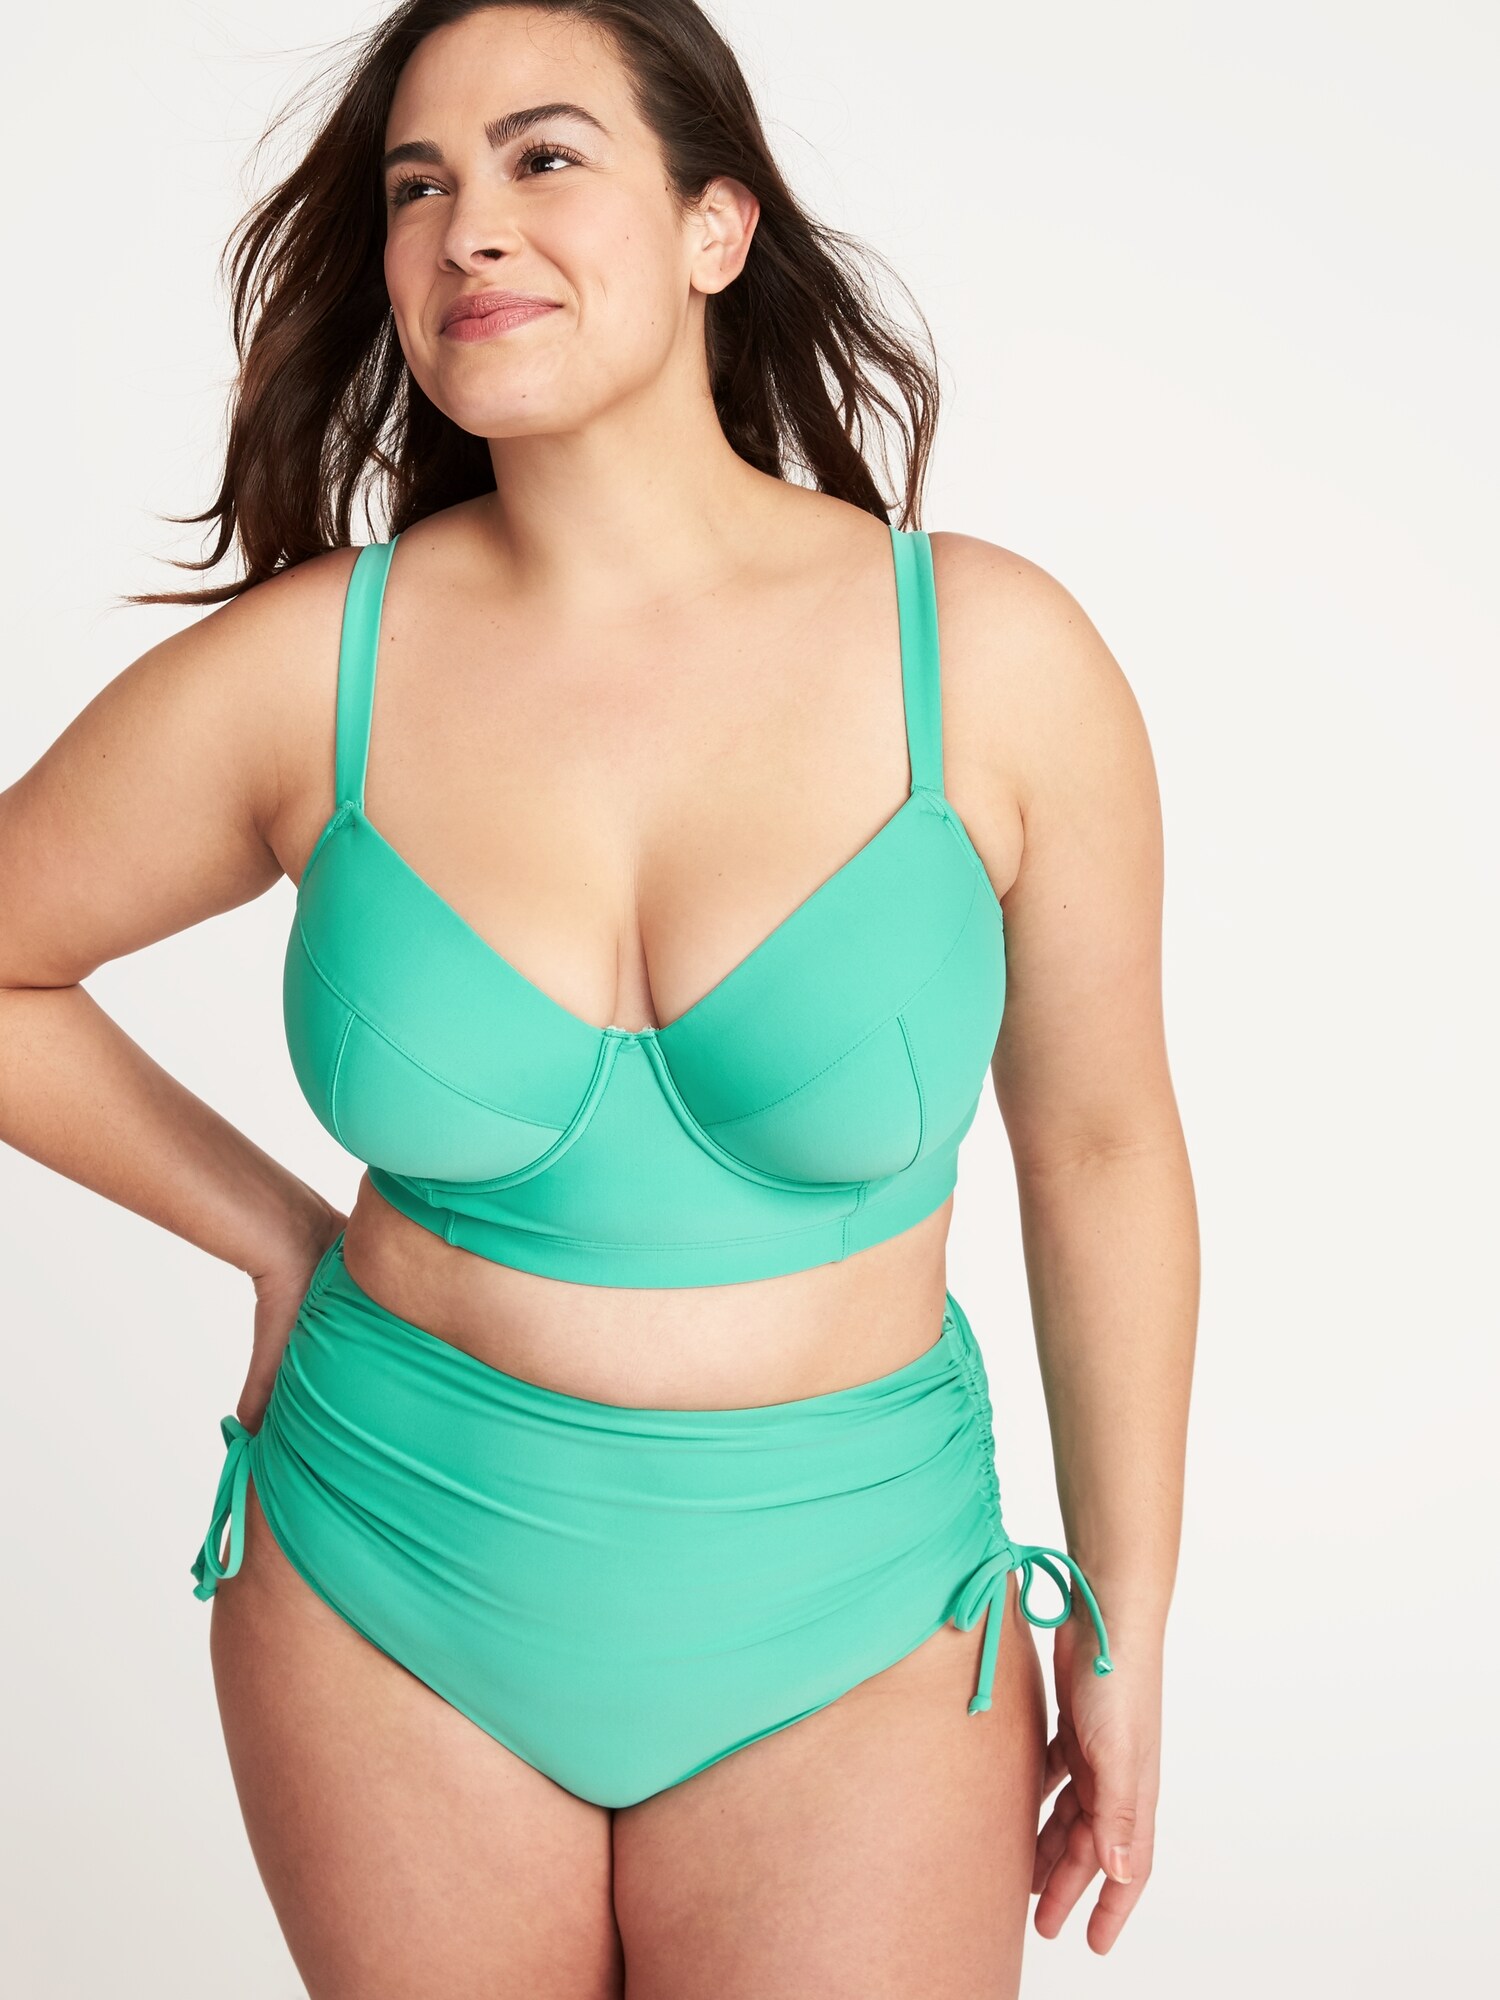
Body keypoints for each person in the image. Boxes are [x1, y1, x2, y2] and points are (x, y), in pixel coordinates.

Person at [0, 2, 1198, 1993]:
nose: (468, 225)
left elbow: (1100, 1148)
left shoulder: (986, 657)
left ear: (719, 224)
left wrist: (1130, 1630)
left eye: (543, 157)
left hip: (858, 1605)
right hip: (391, 1573)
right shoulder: (315, 671)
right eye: (419, 187)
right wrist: (276, 1239)